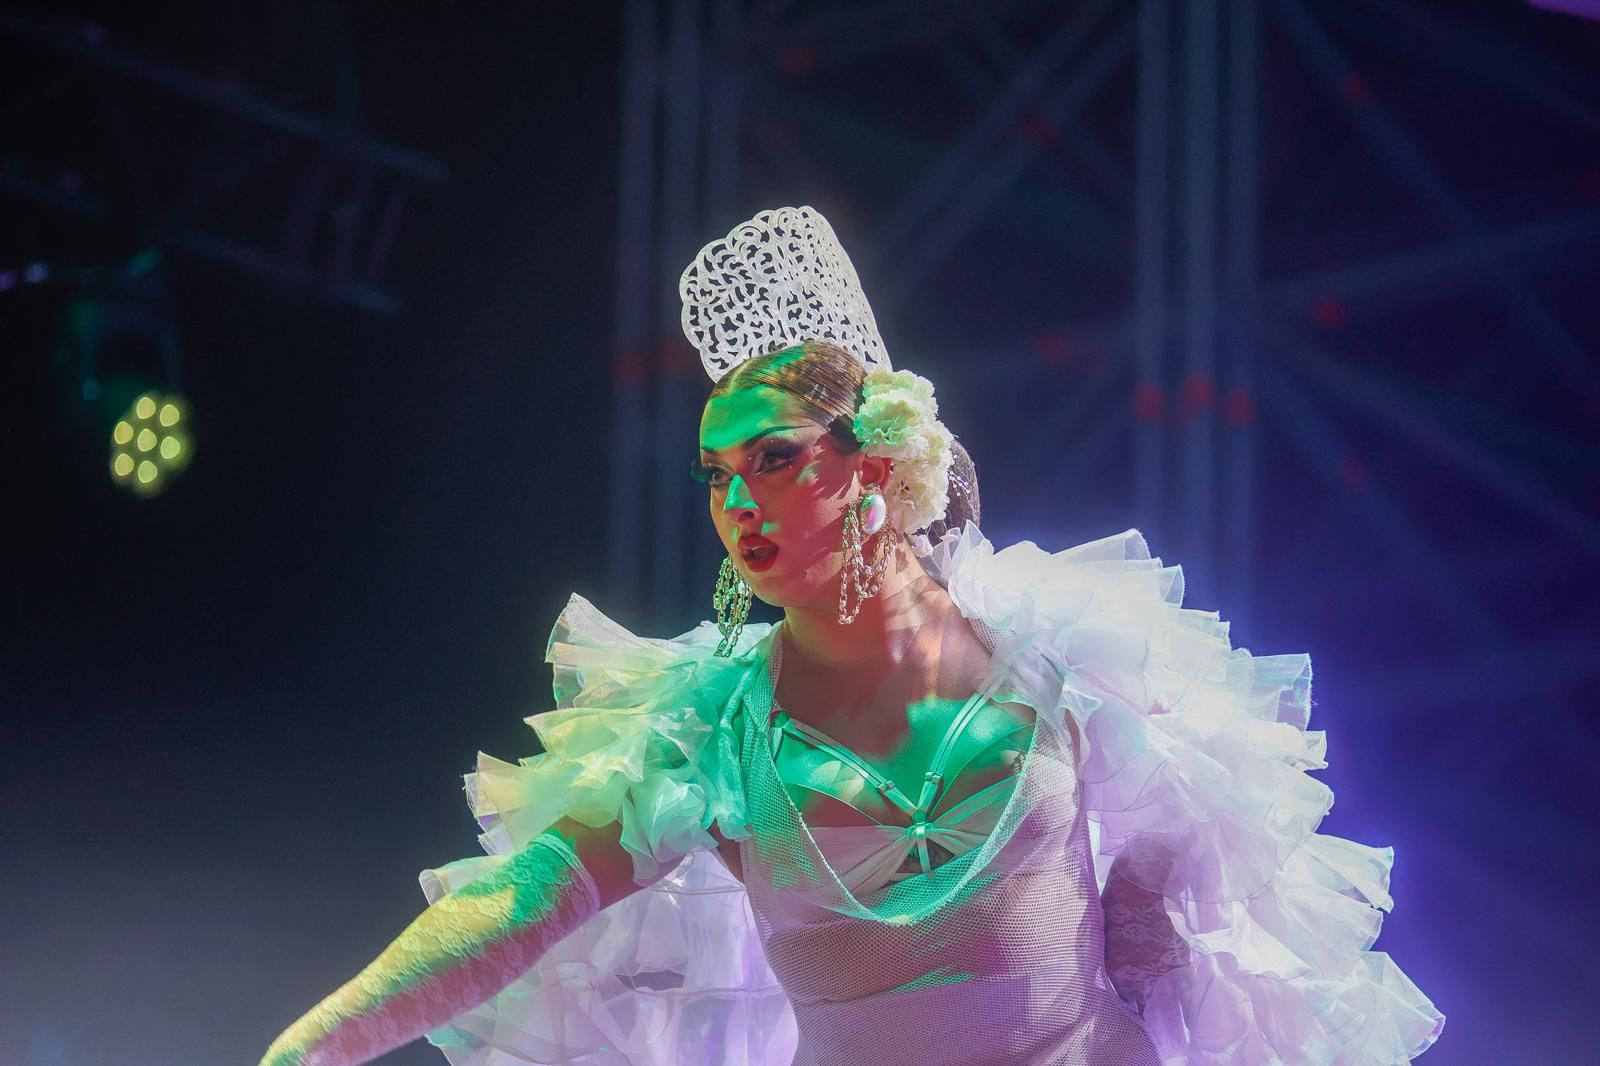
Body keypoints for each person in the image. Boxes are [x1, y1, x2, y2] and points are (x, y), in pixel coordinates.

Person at [259, 206, 1446, 1065]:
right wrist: (316, 1044)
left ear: (875, 465)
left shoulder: (1065, 656)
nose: (736, 500)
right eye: (716, 472)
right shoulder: (713, 728)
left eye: (773, 458)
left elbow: (1184, 933)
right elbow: (524, 896)